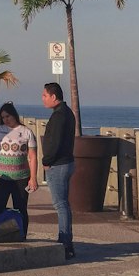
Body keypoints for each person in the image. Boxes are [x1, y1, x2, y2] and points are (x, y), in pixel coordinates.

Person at [0, 101, 37, 232]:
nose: (5, 120)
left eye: (8, 116)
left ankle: (22, 234)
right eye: (3, 117)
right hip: (1, 177)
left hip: (21, 178)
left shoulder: (26, 132)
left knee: (21, 208)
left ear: (14, 115)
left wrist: (33, 178)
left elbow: (32, 157)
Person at [41, 81, 77, 259]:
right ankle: (66, 240)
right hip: (66, 162)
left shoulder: (59, 116)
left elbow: (55, 142)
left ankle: (65, 242)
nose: (43, 99)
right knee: (63, 204)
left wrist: (46, 161)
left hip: (59, 164)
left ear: (53, 97)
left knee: (60, 204)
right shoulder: (67, 113)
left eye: (45, 96)